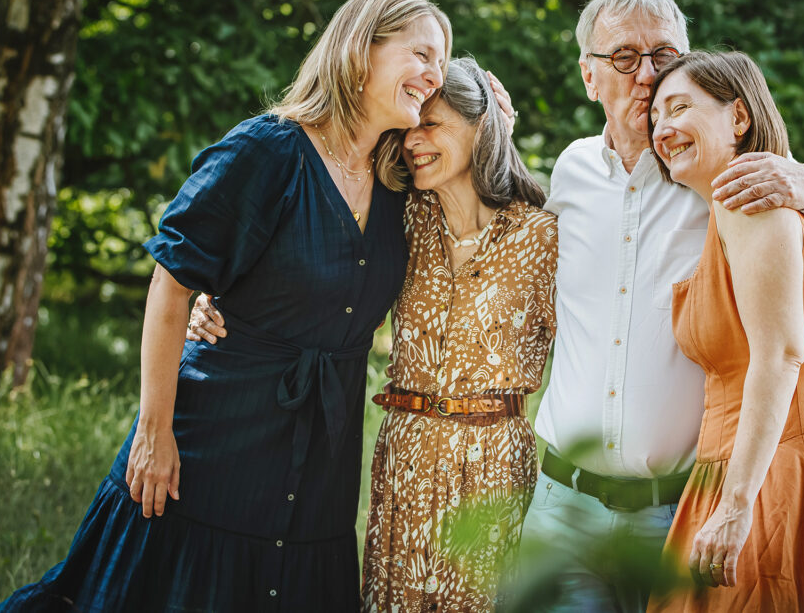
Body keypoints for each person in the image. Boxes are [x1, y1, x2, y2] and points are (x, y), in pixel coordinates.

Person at [0, 0, 451, 613]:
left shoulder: (403, 182)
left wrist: (495, 113)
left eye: (442, 63)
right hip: (213, 447)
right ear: (359, 49)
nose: (434, 74)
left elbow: (478, 168)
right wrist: (153, 434)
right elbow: (171, 283)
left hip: (321, 470)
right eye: (421, 54)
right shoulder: (267, 150)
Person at [519, 0, 804, 612]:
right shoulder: (570, 172)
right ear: (589, 76)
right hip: (564, 505)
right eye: (624, 57)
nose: (646, 75)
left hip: (681, 507)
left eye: (663, 56)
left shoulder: (727, 179)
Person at [190, 58, 557, 612]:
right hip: (404, 456)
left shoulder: (544, 236)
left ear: (481, 127)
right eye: (408, 128)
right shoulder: (400, 220)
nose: (413, 141)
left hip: (492, 465)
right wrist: (216, 298)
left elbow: (597, 337)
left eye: (431, 124)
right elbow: (306, 271)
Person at [644, 50, 804, 611]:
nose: (662, 129)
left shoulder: (751, 202)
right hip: (782, 462)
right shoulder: (757, 205)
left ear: (739, 117)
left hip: (768, 477)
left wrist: (734, 505)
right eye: (655, 117)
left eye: (679, 108)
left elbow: (781, 357)